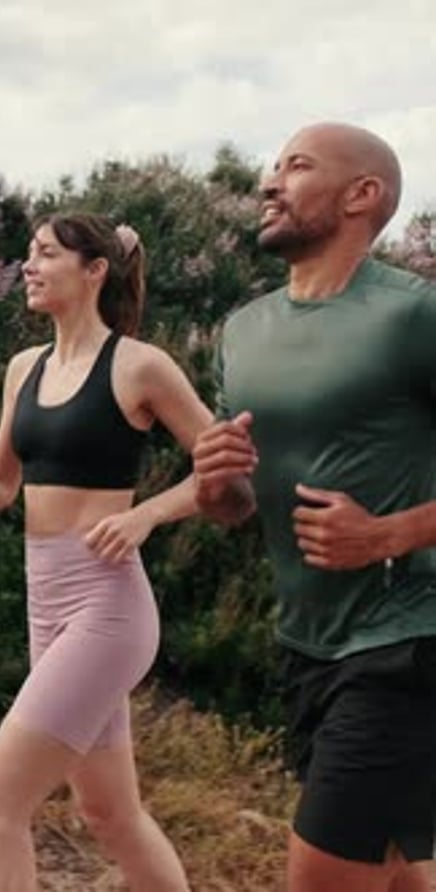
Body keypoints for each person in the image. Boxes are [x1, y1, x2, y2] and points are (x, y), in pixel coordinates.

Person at [0, 212, 213, 892]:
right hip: (46, 603)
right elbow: (1, 489)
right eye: (27, 254)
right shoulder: (22, 369)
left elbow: (228, 466)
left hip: (108, 609)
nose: (28, 266)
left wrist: (148, 514)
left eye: (45, 253)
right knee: (109, 813)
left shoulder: (140, 366)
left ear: (94, 271)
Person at [193, 122, 436, 892]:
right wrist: (215, 486)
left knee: (323, 874)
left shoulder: (412, 316)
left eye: (297, 167)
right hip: (307, 641)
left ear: (363, 196)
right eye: (271, 165)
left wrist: (388, 533)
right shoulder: (243, 330)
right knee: (396, 869)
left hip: (409, 638)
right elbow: (236, 507)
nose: (270, 182)